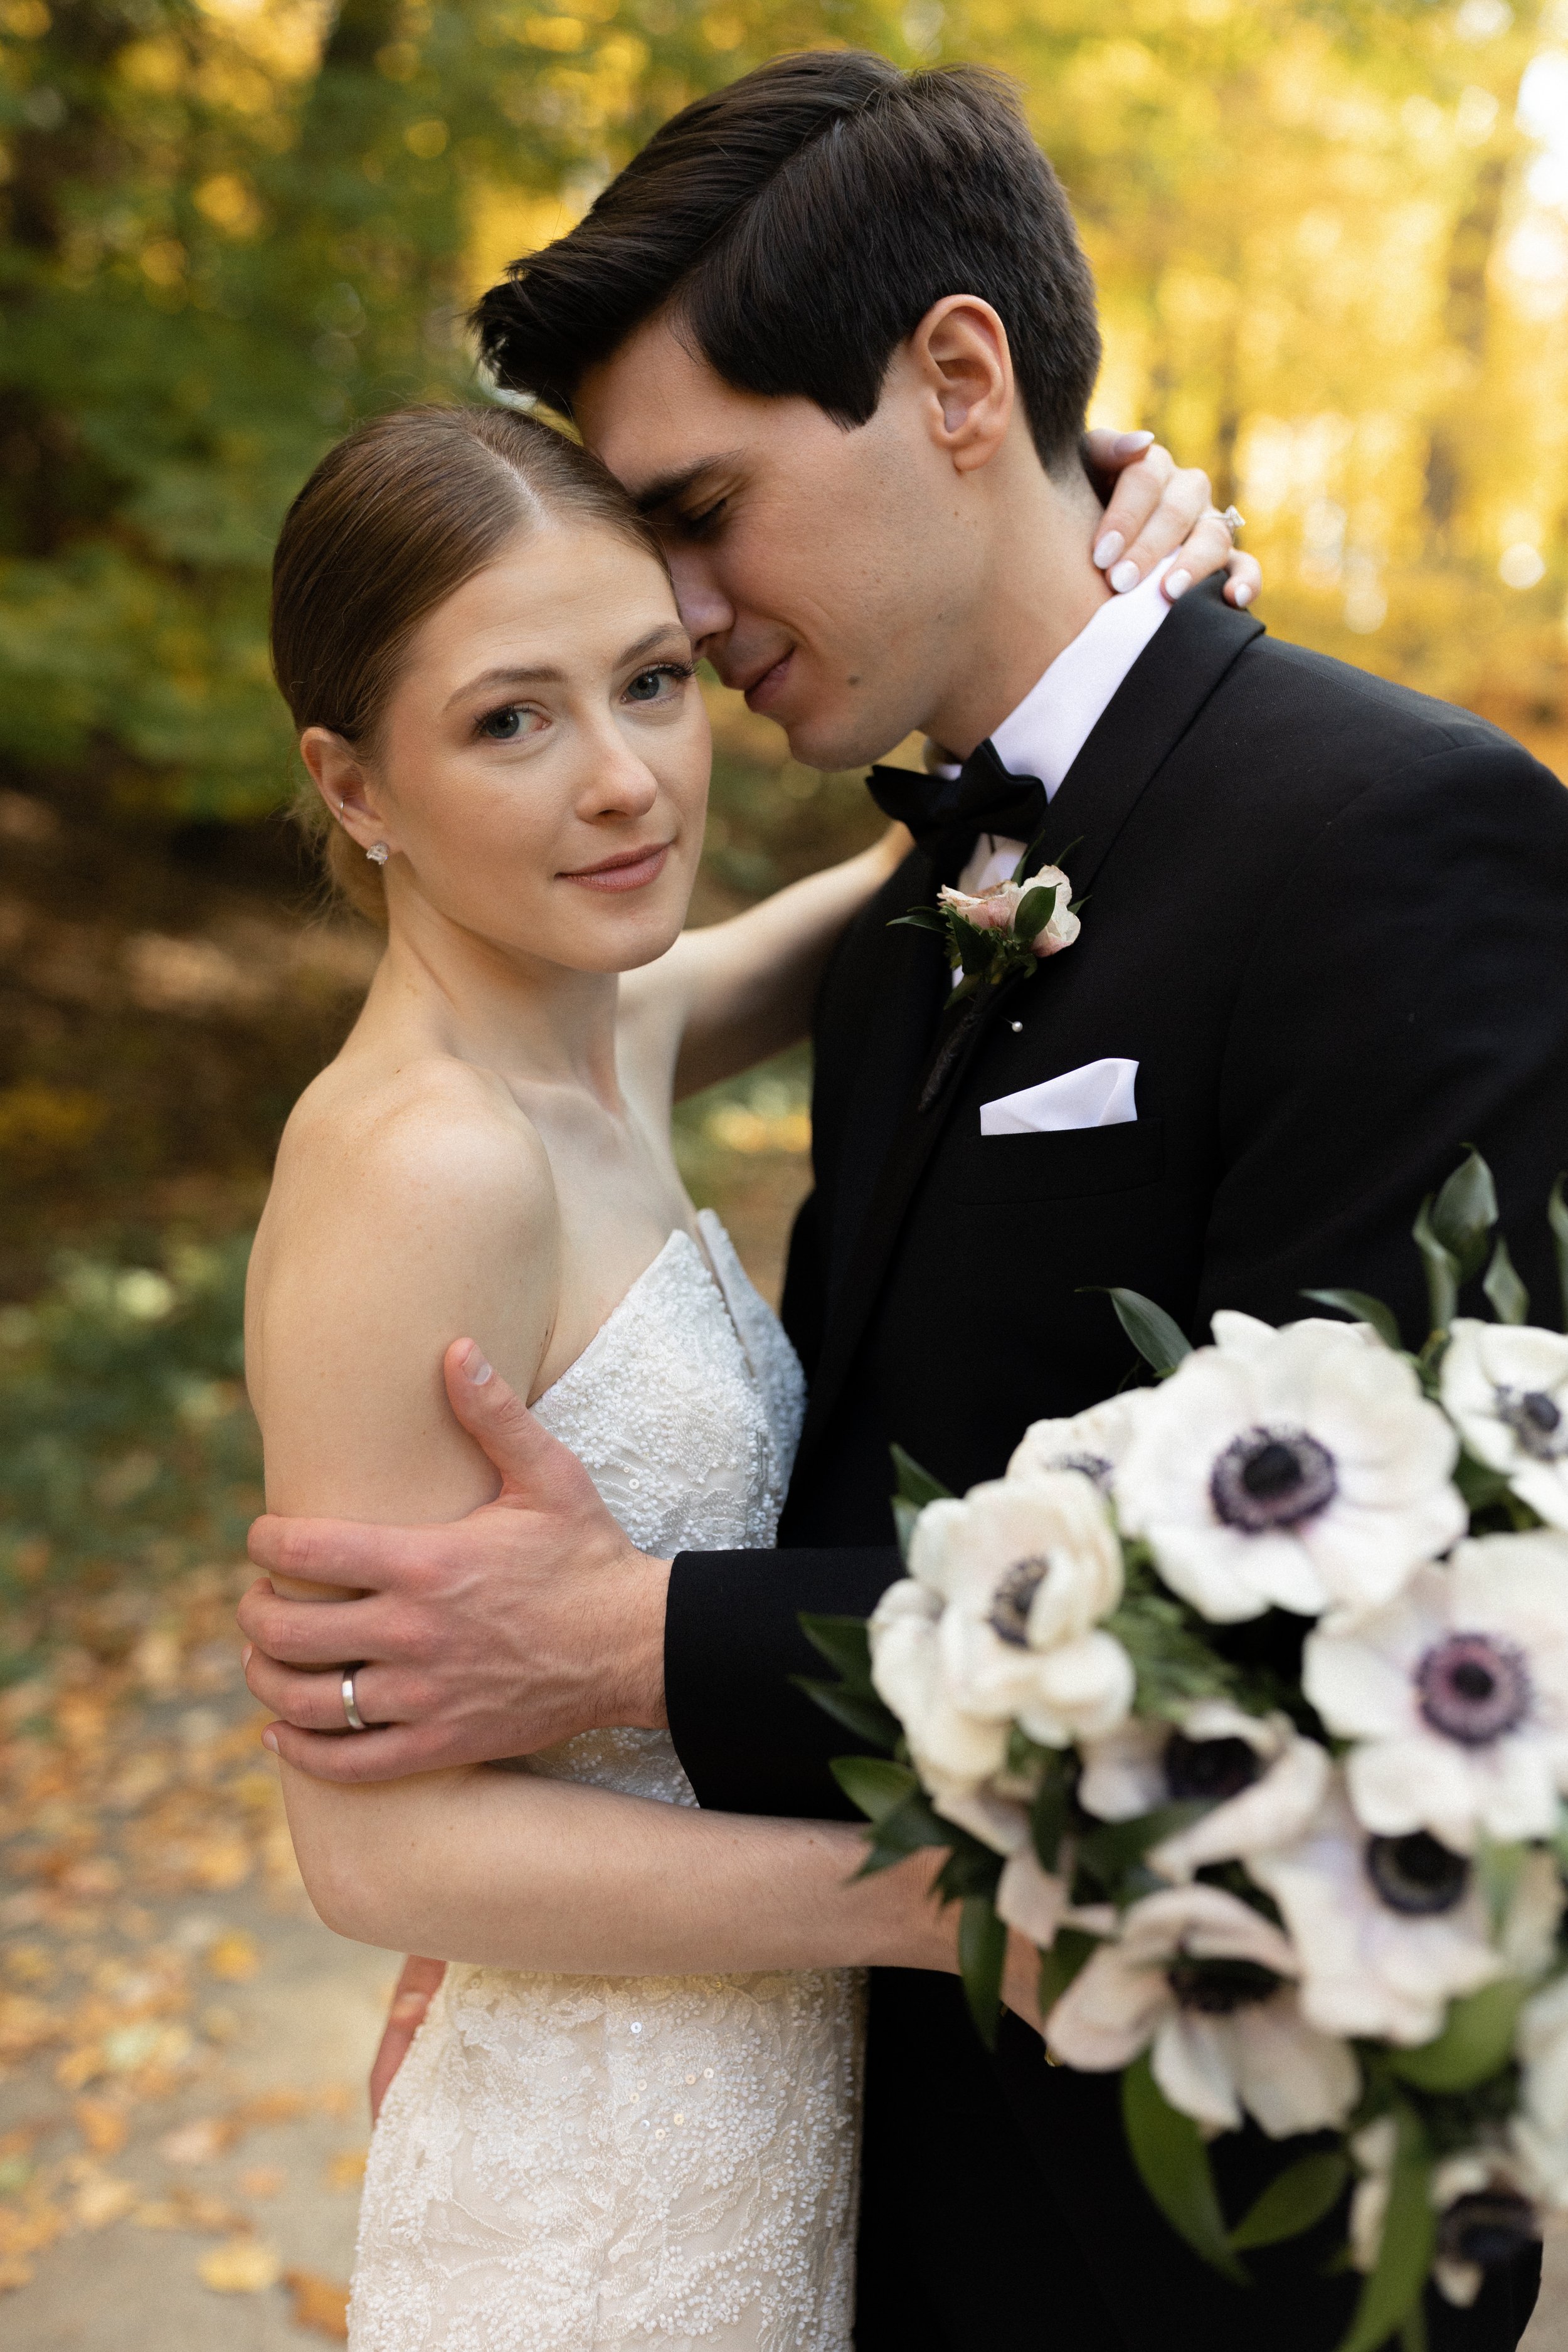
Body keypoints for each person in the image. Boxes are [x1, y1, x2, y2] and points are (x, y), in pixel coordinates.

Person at [241, 51, 1568, 2352]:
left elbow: (1399, 1608)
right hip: (830, 2160)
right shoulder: (911, 893)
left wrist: (629, 1647)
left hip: (1198, 2223)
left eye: (701, 521)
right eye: (527, 699)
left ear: (961, 377)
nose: (687, 627)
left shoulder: (1390, 841)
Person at [248, 398, 1232, 2349]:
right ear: (356, 785)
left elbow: (932, 873)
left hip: (751, 2114)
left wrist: (1104, 588)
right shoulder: (423, 1161)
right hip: (584, 2204)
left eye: (650, 682)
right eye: (511, 720)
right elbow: (369, 1842)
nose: (624, 785)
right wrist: (924, 1906)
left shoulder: (601, 1032)